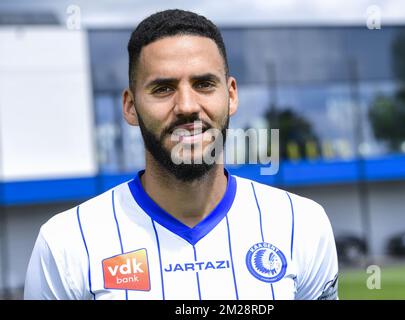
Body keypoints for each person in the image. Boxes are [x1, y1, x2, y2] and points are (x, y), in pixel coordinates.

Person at [24, 9, 338, 300]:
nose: (187, 106)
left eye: (203, 84)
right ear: (130, 106)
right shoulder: (66, 244)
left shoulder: (302, 225)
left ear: (230, 95)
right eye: (163, 88)